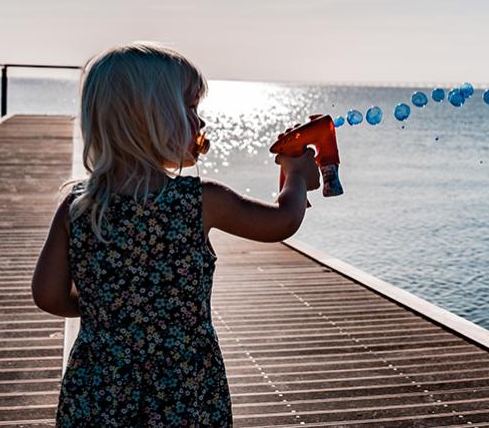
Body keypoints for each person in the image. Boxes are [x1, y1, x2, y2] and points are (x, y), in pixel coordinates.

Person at [31, 42, 319, 427]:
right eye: (190, 109)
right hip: (185, 387)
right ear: (150, 120)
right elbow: (283, 221)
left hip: (99, 387)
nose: (199, 123)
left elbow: (47, 295)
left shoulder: (79, 207)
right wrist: (297, 177)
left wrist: (112, 311)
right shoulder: (200, 201)